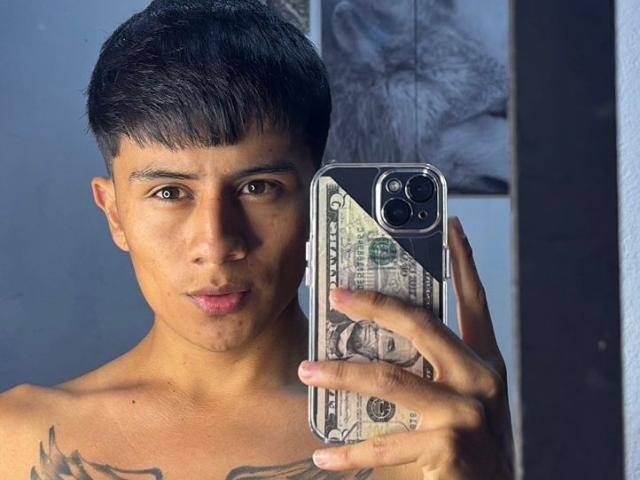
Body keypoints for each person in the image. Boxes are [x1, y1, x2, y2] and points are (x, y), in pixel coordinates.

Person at [0, 1, 514, 478]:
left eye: (258, 187)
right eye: (170, 192)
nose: (217, 243)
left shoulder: (427, 441)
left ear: (319, 204)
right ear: (114, 213)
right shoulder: (16, 439)